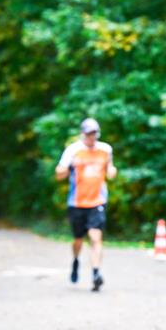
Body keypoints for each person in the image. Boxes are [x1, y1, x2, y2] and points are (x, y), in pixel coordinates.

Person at [55, 117, 117, 292]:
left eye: (95, 133)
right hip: (77, 202)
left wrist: (112, 171)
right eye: (89, 134)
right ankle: (75, 261)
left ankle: (96, 274)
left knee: (96, 237)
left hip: (97, 201)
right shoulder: (73, 151)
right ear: (83, 134)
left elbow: (110, 168)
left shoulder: (105, 150)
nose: (92, 137)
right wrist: (68, 168)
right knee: (78, 240)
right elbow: (59, 174)